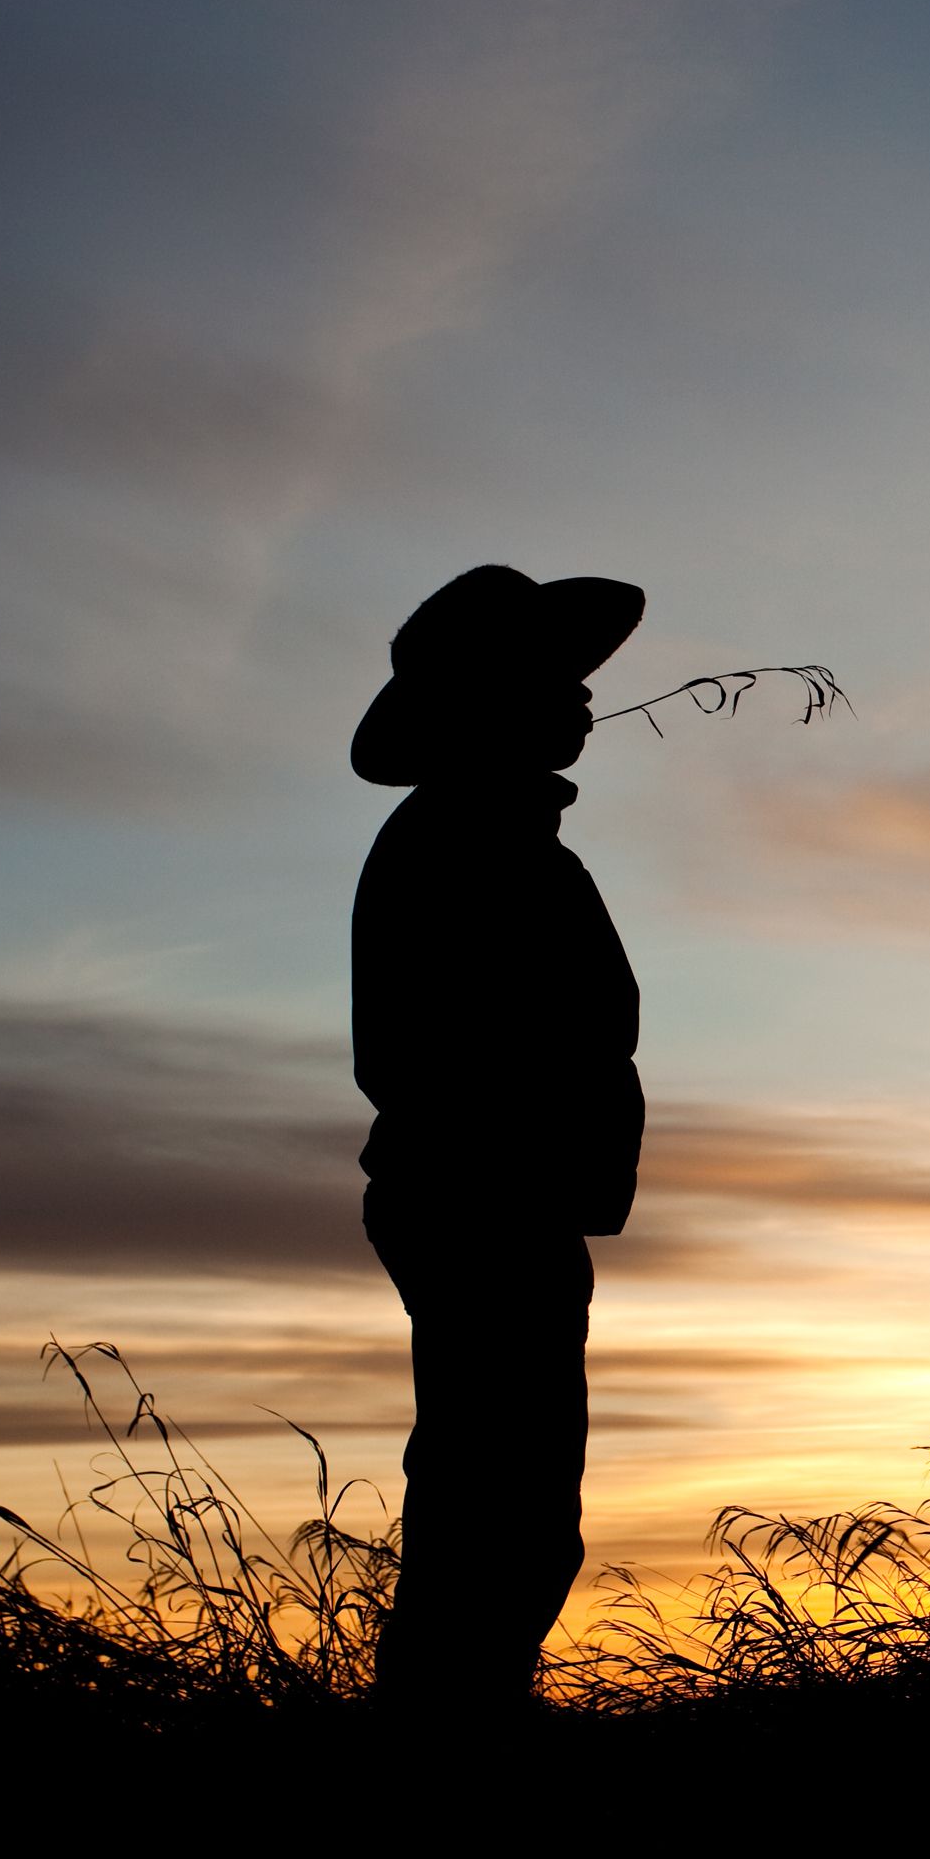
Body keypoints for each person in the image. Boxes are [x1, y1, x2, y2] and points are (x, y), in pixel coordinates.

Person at [348, 563, 646, 1712]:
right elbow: (446, 1054)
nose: (581, 699)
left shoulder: (486, 837)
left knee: (503, 1502)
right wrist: (525, 1163)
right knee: (500, 1506)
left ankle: (459, 1729)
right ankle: (445, 1750)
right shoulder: (466, 843)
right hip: (485, 1202)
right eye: (551, 678)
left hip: (493, 1197)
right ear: (491, 701)